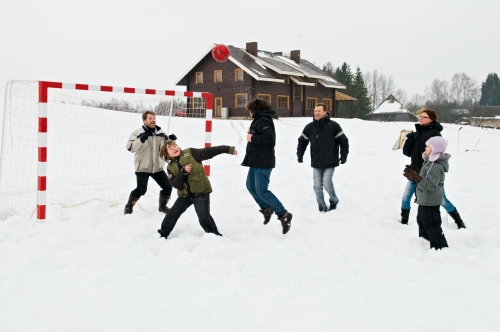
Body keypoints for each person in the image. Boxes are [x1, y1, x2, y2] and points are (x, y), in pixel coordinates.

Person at [157, 141, 237, 239]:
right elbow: (176, 185)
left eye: (175, 146)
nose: (174, 148)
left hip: (201, 191)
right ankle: (162, 234)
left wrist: (228, 149)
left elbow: (209, 151)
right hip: (184, 195)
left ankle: (215, 237)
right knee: (172, 213)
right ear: (167, 155)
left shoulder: (190, 153)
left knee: (203, 217)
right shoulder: (170, 168)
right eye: (171, 148)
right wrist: (182, 172)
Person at [401, 109, 466, 228]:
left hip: (429, 174)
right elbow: (406, 153)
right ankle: (403, 221)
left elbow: (438, 153)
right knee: (406, 197)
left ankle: (459, 221)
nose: (420, 118)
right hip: (414, 172)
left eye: (423, 117)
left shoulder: (435, 134)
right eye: (420, 116)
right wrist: (409, 140)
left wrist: (432, 169)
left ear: (431, 119)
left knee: (442, 200)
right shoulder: (416, 134)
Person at [241, 98, 292, 234]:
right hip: (256, 160)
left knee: (262, 190)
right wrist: (253, 132)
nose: (250, 113)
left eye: (250, 110)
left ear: (255, 110)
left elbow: (269, 138)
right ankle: (266, 209)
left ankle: (284, 215)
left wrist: (252, 138)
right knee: (250, 186)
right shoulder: (260, 120)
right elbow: (262, 134)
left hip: (263, 161)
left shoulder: (264, 120)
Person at [296, 103, 349, 212]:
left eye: (319, 111)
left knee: (326, 183)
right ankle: (322, 206)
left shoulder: (333, 125)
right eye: (315, 111)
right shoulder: (310, 127)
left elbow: (344, 141)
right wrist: (300, 154)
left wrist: (343, 155)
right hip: (316, 162)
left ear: (325, 112)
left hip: (330, 161)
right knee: (317, 186)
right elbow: (302, 141)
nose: (316, 113)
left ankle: (334, 200)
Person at [124, 111, 176, 215]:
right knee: (142, 189)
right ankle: (129, 206)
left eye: (154, 118)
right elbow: (130, 147)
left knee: (168, 187)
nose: (153, 120)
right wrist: (141, 140)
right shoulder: (138, 132)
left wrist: (171, 139)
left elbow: (166, 146)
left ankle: (162, 207)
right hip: (143, 166)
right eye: (150, 118)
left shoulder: (161, 132)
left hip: (157, 167)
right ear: (144, 121)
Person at [403, 136, 450, 250]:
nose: (425, 147)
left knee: (432, 224)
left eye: (428, 146)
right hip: (424, 200)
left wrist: (417, 178)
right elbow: (427, 178)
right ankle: (424, 243)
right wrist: (417, 173)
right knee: (422, 222)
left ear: (435, 149)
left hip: (431, 201)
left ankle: (440, 248)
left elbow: (431, 186)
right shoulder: (429, 162)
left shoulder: (435, 166)